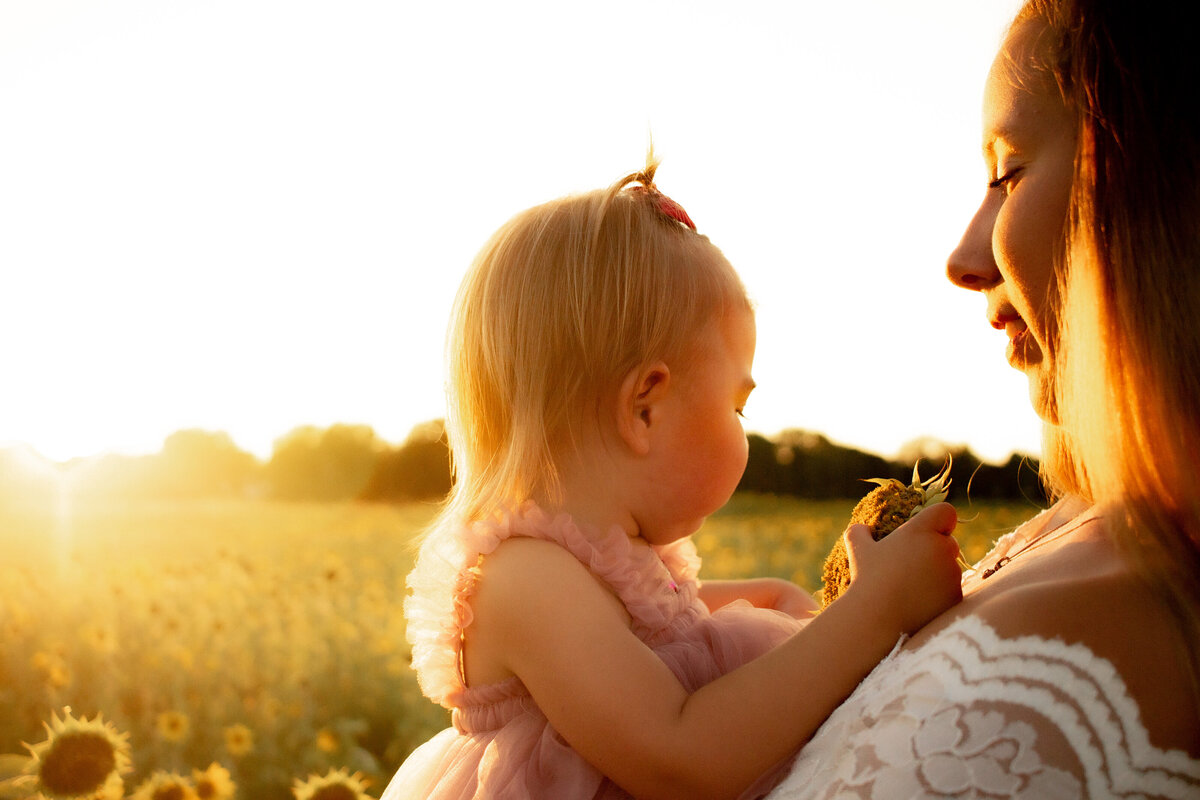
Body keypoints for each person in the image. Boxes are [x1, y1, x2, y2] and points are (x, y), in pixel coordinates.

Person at [381, 159, 964, 799]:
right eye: (736, 406)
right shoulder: (523, 579)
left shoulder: (606, 569)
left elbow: (669, 633)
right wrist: (874, 612)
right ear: (645, 407)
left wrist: (790, 603)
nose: (744, 427)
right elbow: (682, 757)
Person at [766, 1, 1200, 797]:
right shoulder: (1077, 534)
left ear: (1157, 180)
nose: (965, 257)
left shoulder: (1129, 620)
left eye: (1007, 173)